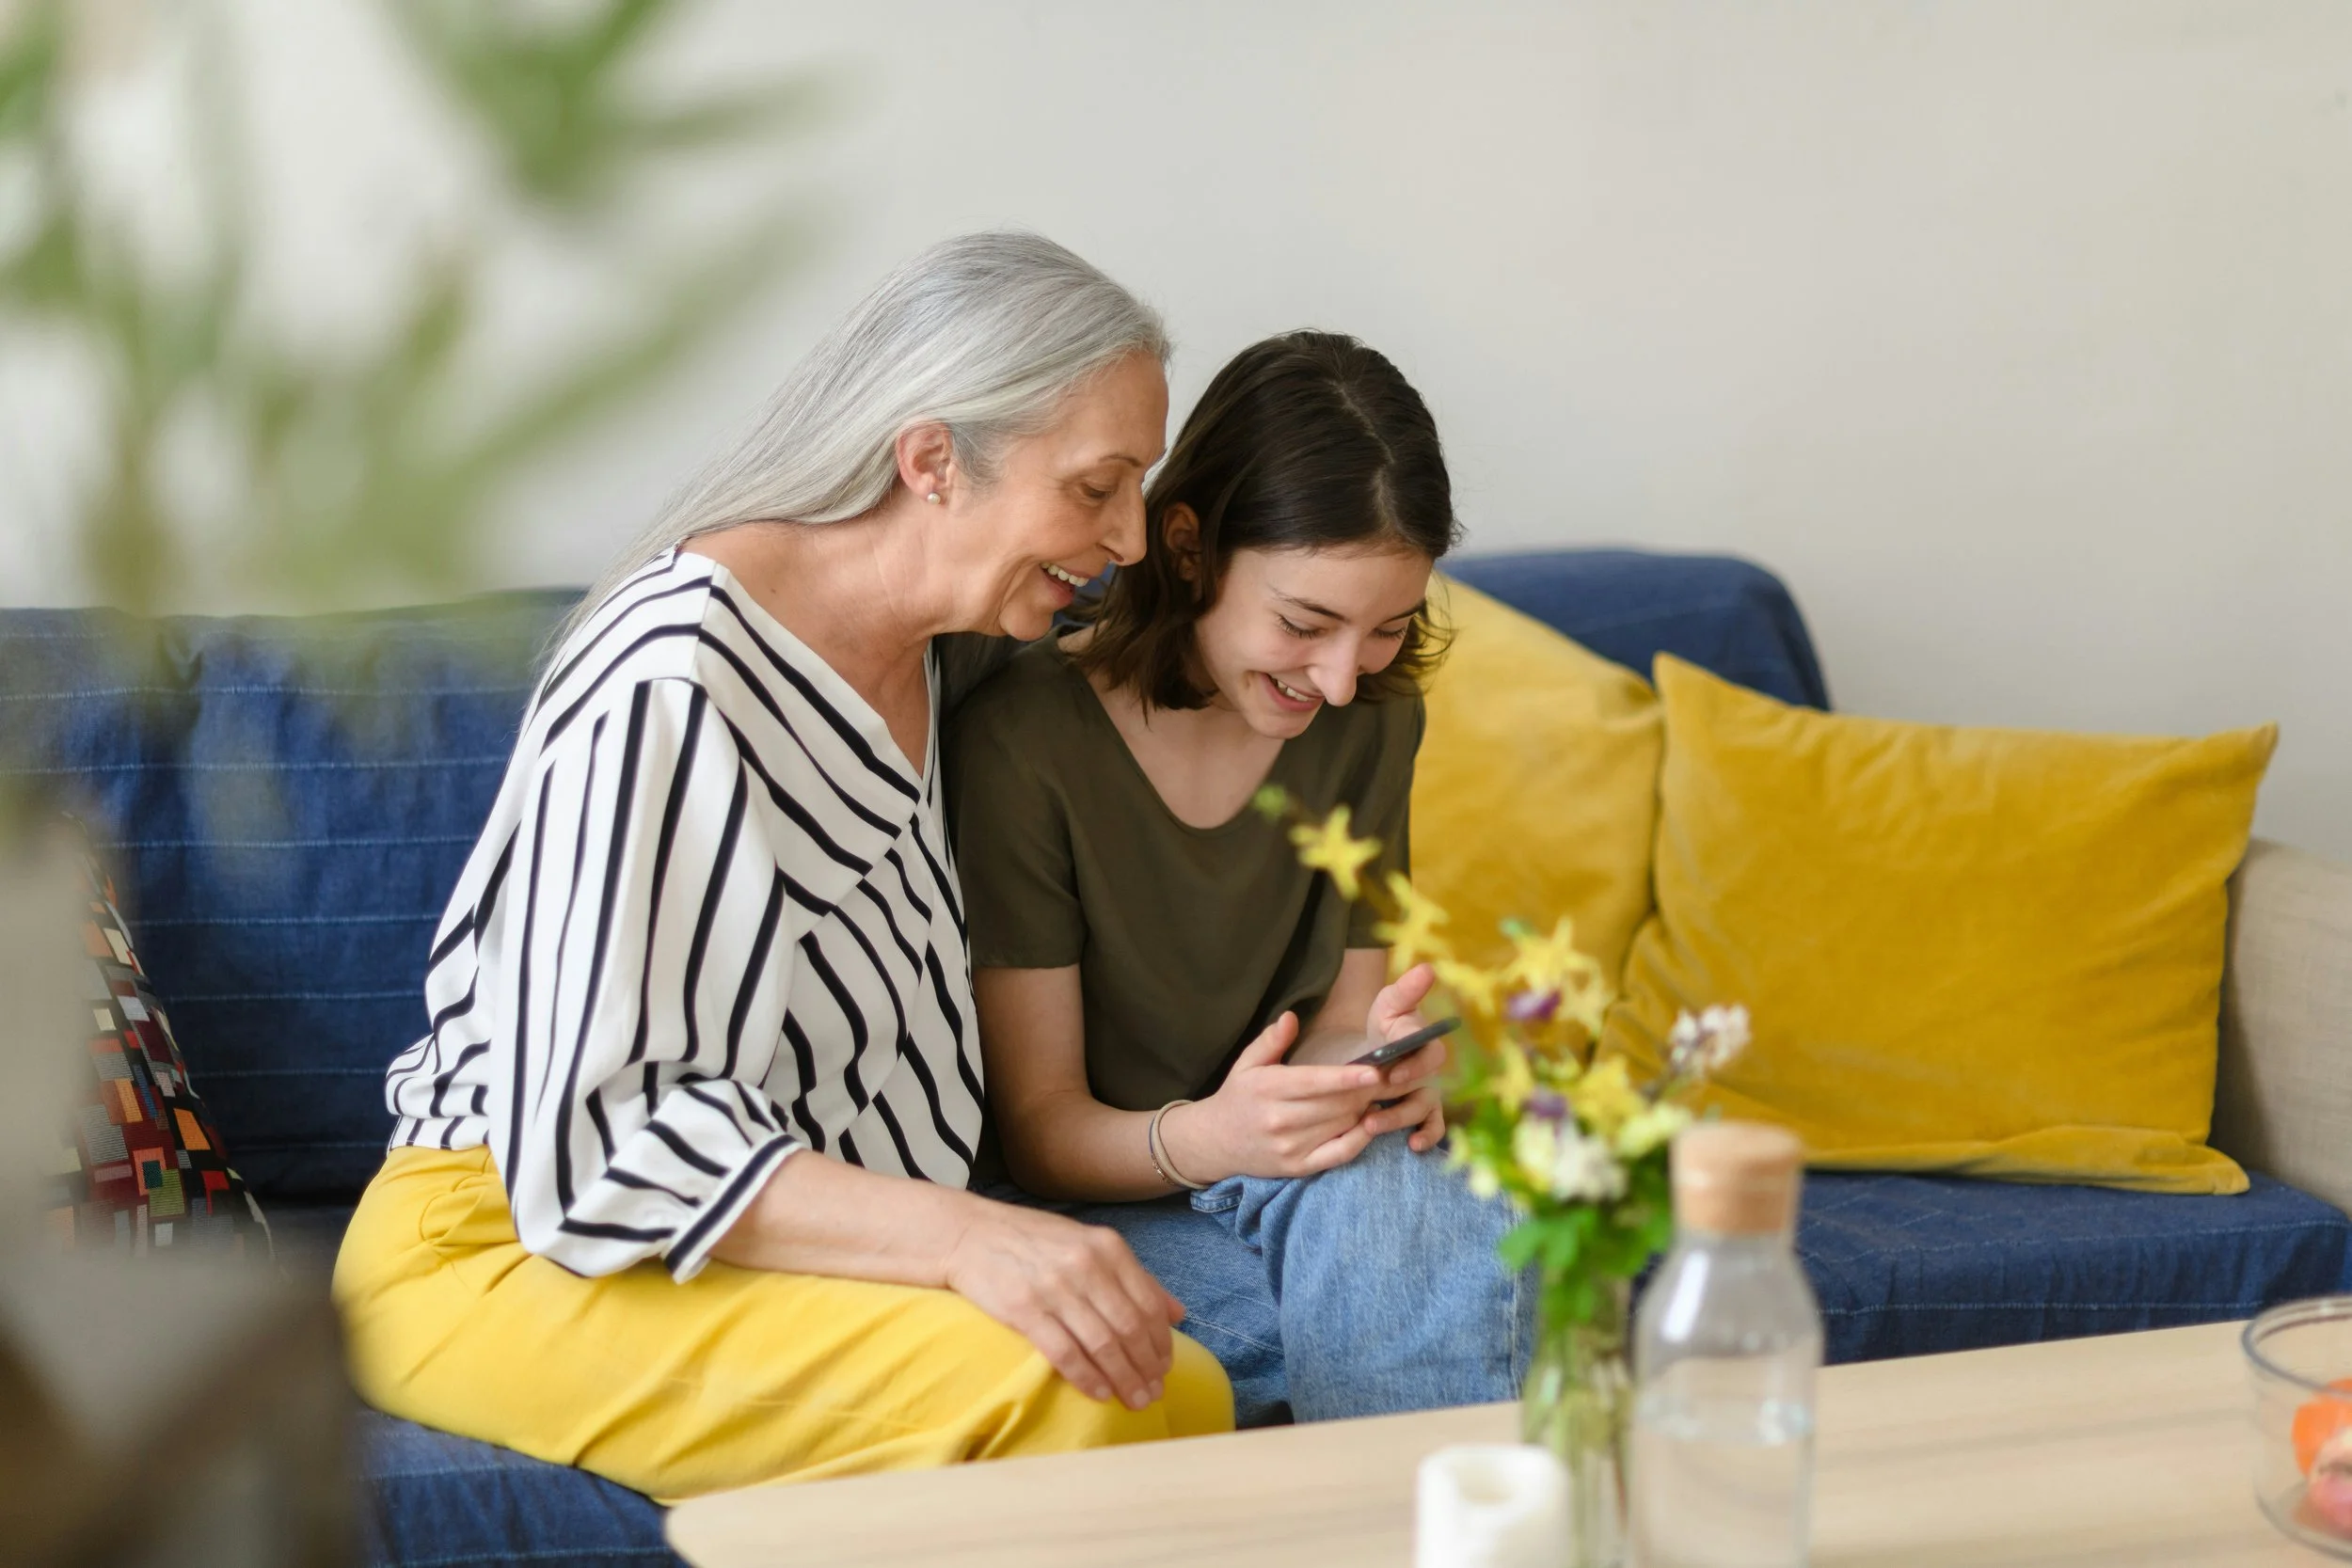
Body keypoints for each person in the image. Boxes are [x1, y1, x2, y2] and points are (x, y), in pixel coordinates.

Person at [332, 232, 1233, 1503]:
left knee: (1198, 1342)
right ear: (930, 460)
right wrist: (975, 1235)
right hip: (522, 1241)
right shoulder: (676, 677)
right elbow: (595, 1139)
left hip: (768, 1243)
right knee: (1126, 1393)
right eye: (1097, 485)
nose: (1129, 534)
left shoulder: (940, 641)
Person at [947, 331, 1531, 1426]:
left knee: (1424, 1214)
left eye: (1385, 630)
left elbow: (1346, 1018)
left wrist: (1384, 1071)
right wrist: (1216, 1134)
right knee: (1465, 1277)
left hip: (1308, 1180)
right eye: (1303, 623)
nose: (1340, 679)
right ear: (1187, 545)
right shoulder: (1023, 740)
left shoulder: (1373, 717)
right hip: (1109, 1188)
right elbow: (1040, 1123)